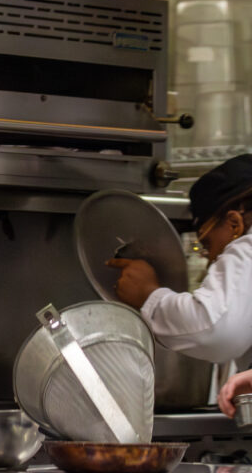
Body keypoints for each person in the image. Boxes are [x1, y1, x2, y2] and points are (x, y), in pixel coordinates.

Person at [108, 153, 252, 373]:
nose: (210, 258)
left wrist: (149, 295)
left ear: (234, 224)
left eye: (207, 244)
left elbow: (215, 329)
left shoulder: (247, 247)